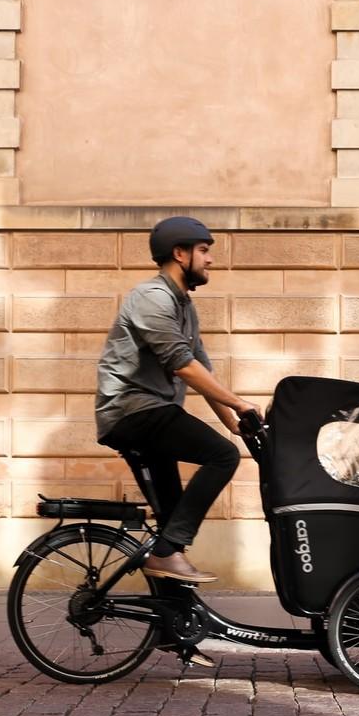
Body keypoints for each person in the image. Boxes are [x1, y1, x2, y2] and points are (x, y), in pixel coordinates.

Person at [95, 216, 260, 584]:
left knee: (171, 528)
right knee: (222, 455)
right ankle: (168, 551)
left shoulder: (184, 305)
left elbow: (202, 369)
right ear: (179, 253)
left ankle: (174, 628)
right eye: (204, 251)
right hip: (132, 410)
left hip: (151, 413)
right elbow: (182, 366)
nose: (210, 260)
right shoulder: (152, 298)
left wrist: (233, 423)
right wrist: (238, 404)